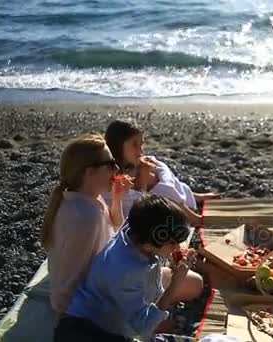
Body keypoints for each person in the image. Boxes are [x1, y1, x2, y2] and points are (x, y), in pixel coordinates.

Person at [54, 194, 205, 341]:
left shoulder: (135, 231)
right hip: (89, 331)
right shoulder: (127, 270)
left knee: (194, 284)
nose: (177, 247)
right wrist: (175, 284)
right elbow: (142, 328)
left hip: (105, 317)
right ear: (148, 244)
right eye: (172, 243)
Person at [41, 134, 132, 315]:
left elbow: (114, 227)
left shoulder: (80, 198)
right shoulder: (86, 216)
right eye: (110, 164)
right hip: (79, 306)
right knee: (191, 283)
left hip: (72, 298)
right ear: (89, 172)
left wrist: (117, 198)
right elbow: (92, 273)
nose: (116, 169)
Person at [103, 120, 219, 225]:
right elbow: (137, 204)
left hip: (152, 197)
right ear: (118, 146)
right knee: (156, 182)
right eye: (134, 144)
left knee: (156, 168)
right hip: (140, 216)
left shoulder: (131, 163)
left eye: (141, 144)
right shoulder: (112, 174)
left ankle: (192, 196)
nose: (140, 150)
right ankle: (191, 216)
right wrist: (143, 179)